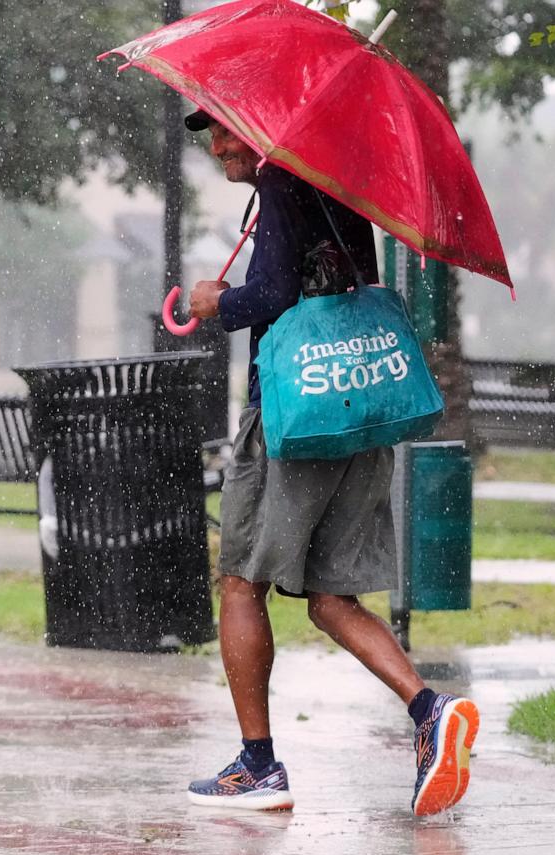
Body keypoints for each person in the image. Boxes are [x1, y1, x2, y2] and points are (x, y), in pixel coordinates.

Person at [180, 108, 478, 816]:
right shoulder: (336, 184)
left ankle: (258, 766)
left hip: (295, 417)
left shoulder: (283, 179)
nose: (217, 144)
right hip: (360, 410)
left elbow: (279, 297)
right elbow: (336, 285)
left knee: (240, 585)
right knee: (331, 600)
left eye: (226, 129)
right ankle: (431, 712)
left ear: (262, 126)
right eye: (209, 133)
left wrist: (219, 302)